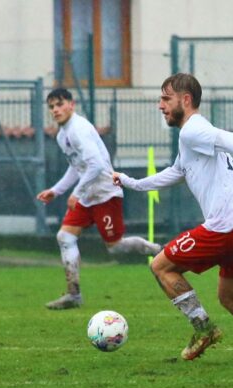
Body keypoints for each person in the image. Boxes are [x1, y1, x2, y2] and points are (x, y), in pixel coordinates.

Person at [112, 73, 233, 363]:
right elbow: (176, 172)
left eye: (165, 98)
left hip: (229, 227)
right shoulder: (190, 138)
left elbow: (226, 137)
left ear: (185, 100)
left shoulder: (193, 130)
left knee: (161, 266)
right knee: (231, 298)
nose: (160, 105)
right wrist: (131, 182)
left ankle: (204, 330)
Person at [37, 88, 162, 310]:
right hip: (86, 197)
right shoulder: (62, 135)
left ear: (71, 104)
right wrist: (56, 190)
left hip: (105, 194)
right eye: (51, 107)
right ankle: (73, 295)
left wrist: (76, 193)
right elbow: (77, 168)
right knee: (65, 237)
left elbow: (96, 165)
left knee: (115, 247)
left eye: (59, 104)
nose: (55, 110)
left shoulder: (79, 129)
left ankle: (155, 249)